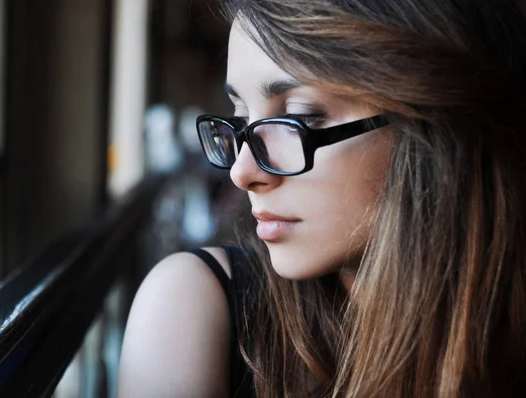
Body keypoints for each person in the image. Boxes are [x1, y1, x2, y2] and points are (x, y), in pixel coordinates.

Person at [116, 0, 526, 396]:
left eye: (299, 118)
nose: (241, 172)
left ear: (437, 126)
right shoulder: (193, 309)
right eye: (242, 118)